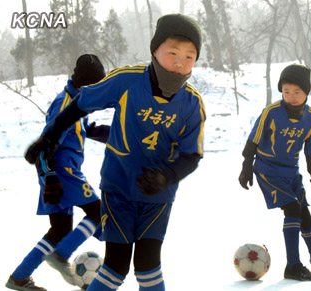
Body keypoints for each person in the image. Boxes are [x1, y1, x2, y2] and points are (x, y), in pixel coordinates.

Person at [24, 13, 205, 291]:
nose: (180, 61)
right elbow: (81, 104)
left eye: (190, 56)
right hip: (118, 188)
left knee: (148, 265)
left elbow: (192, 155)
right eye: (173, 52)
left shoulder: (192, 103)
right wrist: (47, 139)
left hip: (157, 196)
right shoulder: (127, 80)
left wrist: (165, 176)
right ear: (155, 50)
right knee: (116, 266)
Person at [6, 54, 107, 291]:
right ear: (87, 83)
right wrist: (49, 177)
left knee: (60, 229)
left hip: (60, 174)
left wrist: (117, 135)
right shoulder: (65, 103)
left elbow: (86, 130)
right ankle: (62, 256)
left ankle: (19, 278)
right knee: (99, 212)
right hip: (62, 173)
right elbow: (46, 142)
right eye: (97, 85)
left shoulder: (78, 102)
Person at [239, 64, 311, 281]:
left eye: (297, 92)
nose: (291, 97)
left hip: (291, 172)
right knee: (292, 209)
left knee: (305, 216)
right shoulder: (272, 112)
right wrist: (246, 166)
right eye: (286, 91)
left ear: (306, 92)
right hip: (268, 169)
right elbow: (253, 140)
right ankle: (293, 266)